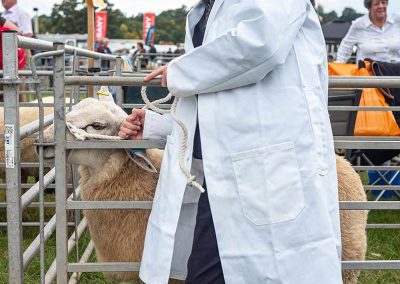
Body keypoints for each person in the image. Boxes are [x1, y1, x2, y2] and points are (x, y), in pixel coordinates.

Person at [119, 0, 342, 283]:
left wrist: (181, 71)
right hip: (220, 176)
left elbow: (261, 44)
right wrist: (157, 125)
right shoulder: (205, 11)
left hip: (268, 175)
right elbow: (218, 100)